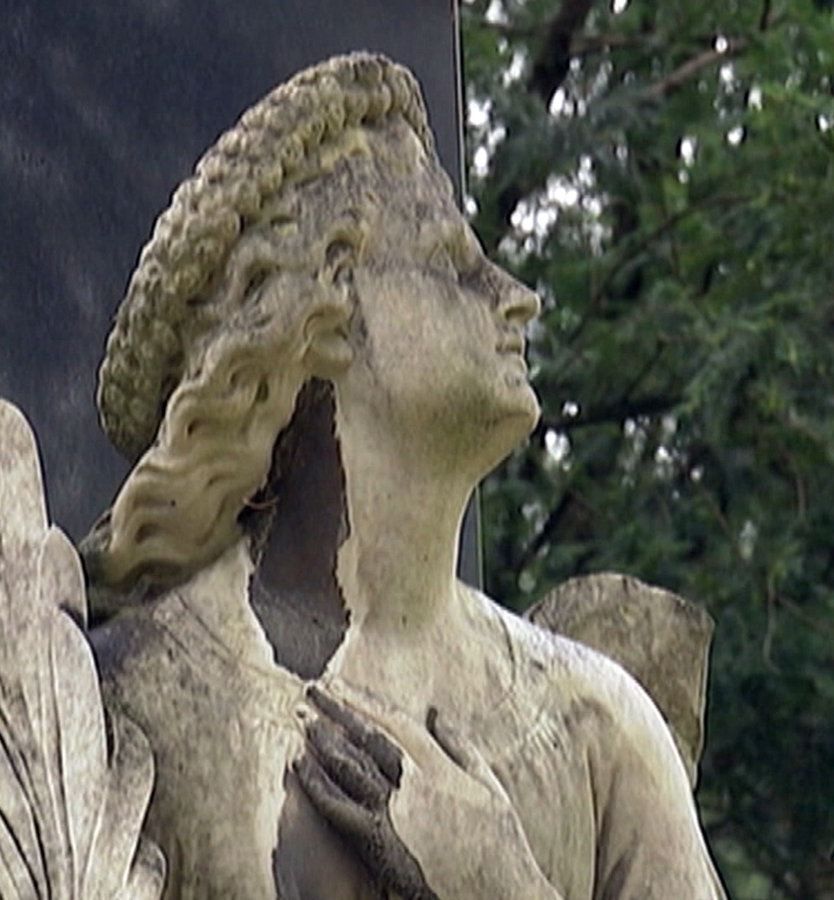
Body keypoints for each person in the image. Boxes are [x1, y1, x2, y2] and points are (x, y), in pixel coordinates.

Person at [83, 53, 726, 898]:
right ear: (326, 313)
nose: (515, 296)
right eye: (455, 263)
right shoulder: (135, 709)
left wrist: (500, 880)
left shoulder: (597, 726)